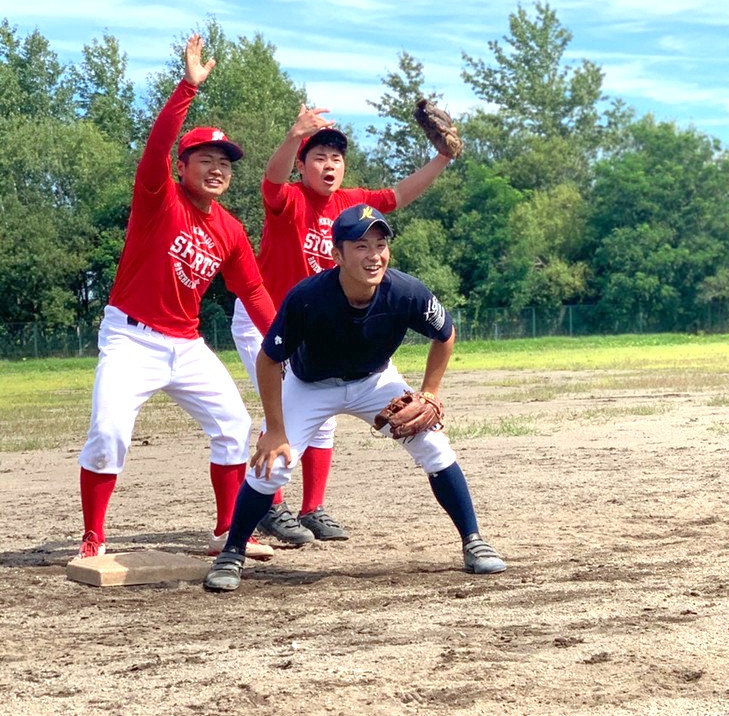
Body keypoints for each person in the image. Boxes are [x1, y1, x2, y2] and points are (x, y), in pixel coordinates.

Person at [203, 204, 505, 592]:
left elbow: (444, 335)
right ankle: (232, 553)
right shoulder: (309, 297)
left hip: (374, 381)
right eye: (360, 245)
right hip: (309, 385)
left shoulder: (405, 292)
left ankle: (473, 541)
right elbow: (267, 360)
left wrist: (429, 392)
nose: (374, 255)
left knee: (433, 445)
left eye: (380, 244)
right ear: (337, 255)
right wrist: (275, 429)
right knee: (273, 464)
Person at [76, 34, 278, 561]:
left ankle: (228, 531)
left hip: (185, 345)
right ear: (183, 167)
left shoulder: (231, 230)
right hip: (131, 336)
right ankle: (94, 535)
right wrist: (187, 87)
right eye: (205, 159)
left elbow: (252, 289)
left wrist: (284, 338)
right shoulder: (158, 198)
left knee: (234, 426)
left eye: (226, 164)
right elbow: (157, 145)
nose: (217, 168)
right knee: (109, 431)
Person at [230, 108, 451, 546]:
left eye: (335, 157)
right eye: (318, 157)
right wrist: (295, 133)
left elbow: (400, 194)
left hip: (320, 322)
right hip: (268, 316)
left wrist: (442, 157)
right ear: (301, 163)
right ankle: (271, 509)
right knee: (281, 412)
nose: (328, 165)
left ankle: (312, 508)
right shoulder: (289, 198)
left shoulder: (353, 205)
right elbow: (270, 182)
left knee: (324, 415)